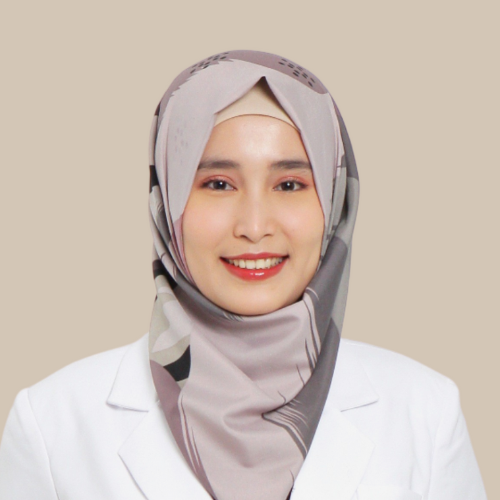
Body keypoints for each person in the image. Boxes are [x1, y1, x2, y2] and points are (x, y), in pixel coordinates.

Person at [0, 50, 487, 499]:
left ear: (334, 203)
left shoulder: (426, 414)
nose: (254, 226)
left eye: (290, 184)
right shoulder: (52, 425)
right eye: (218, 183)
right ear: (168, 204)